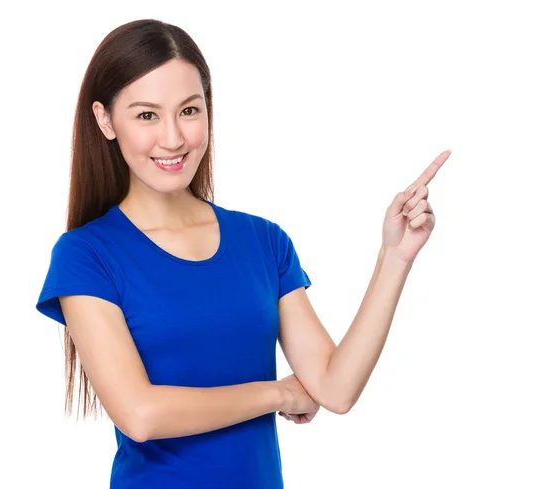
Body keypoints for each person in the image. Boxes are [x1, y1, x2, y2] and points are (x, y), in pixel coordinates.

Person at [35, 18, 451, 489]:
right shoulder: (87, 255)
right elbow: (140, 414)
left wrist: (394, 258)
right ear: (106, 120)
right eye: (146, 115)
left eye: (189, 111)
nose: (172, 138)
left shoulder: (263, 241)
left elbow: (335, 388)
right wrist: (277, 393)